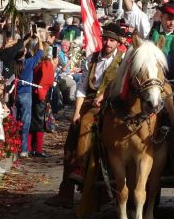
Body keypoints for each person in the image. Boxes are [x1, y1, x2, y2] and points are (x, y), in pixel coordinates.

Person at [45, 23, 124, 208]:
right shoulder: (91, 59)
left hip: (112, 104)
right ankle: (65, 193)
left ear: (118, 42)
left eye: (112, 40)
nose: (108, 43)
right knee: (71, 139)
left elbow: (121, 85)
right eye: (106, 39)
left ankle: (82, 169)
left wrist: (104, 96)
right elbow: (81, 87)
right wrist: (76, 113)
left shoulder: (123, 61)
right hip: (89, 102)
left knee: (87, 122)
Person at [116, 0, 174, 128]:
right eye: (169, 18)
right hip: (145, 78)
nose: (172, 23)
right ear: (162, 16)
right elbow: (135, 15)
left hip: (168, 80)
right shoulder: (151, 27)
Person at [15, 37, 45, 157]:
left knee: (15, 120)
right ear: (24, 52)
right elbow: (41, 52)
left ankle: (13, 145)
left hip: (15, 94)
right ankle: (23, 149)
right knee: (25, 122)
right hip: (26, 94)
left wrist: (24, 41)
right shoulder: (28, 63)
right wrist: (39, 38)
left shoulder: (14, 64)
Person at [30, 44, 57, 158]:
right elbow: (46, 82)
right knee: (40, 123)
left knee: (34, 121)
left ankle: (31, 148)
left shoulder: (40, 63)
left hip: (36, 93)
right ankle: (38, 149)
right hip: (41, 95)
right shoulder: (47, 64)